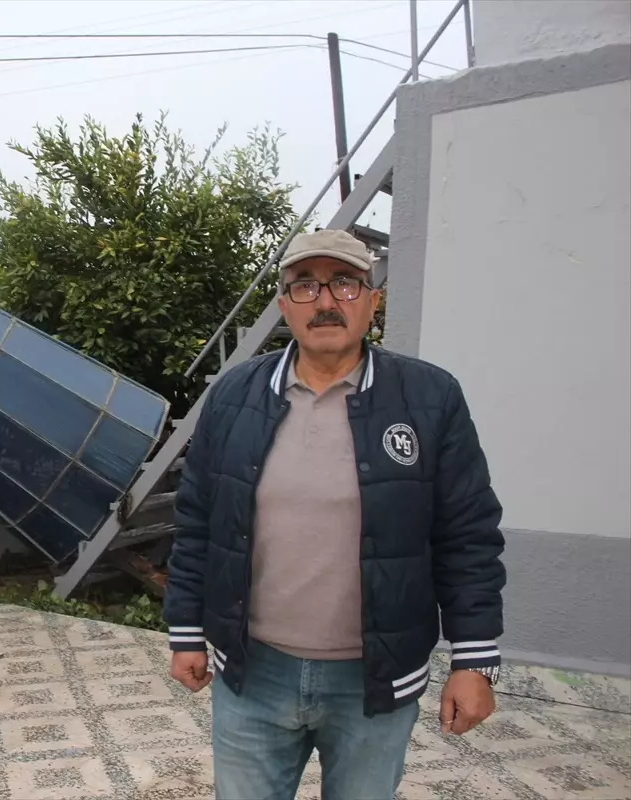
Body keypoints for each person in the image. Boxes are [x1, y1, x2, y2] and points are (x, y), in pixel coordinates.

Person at [163, 229, 505, 800]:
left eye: (345, 284)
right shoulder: (232, 397)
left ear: (372, 300)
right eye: (304, 286)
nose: (325, 301)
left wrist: (475, 659)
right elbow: (198, 520)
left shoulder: (430, 398)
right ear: (283, 307)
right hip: (253, 674)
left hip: (374, 678)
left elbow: (467, 534)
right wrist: (186, 633)